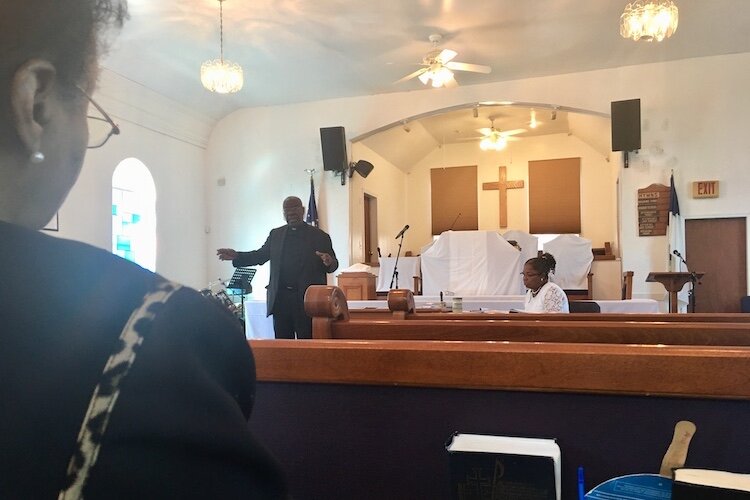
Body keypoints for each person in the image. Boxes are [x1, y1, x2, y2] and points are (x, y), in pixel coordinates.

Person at [0, 1, 287, 497]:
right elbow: (260, 255)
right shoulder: (153, 334)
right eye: (88, 106)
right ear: (38, 103)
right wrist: (234, 257)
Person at [217, 196, 338, 339]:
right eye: (287, 209)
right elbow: (260, 256)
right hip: (281, 300)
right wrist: (237, 256)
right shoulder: (276, 235)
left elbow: (333, 265)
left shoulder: (320, 236)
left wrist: (329, 261)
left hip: (307, 300)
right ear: (283, 213)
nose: (291, 212)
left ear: (303, 210)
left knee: (307, 343)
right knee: (283, 343)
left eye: (295, 208)